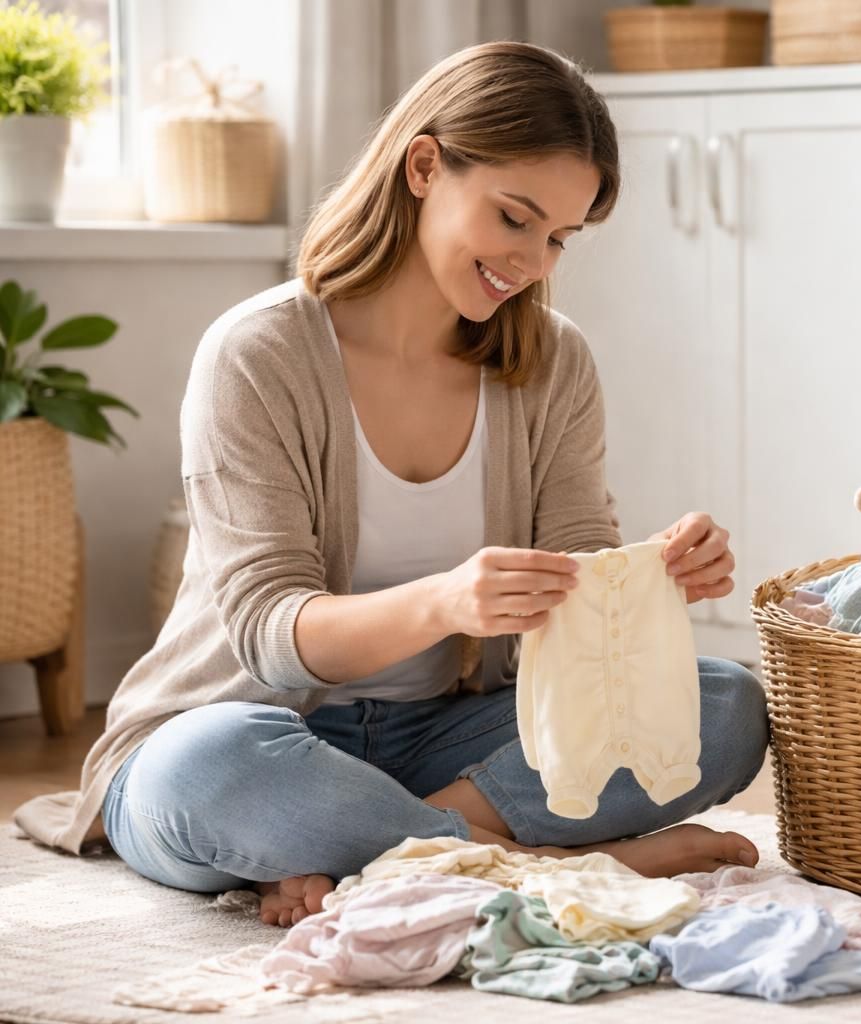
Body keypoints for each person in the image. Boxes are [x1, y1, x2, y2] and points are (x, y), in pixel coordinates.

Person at [11, 41, 769, 928]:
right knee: (206, 768)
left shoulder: (554, 361)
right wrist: (445, 602)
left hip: (448, 740)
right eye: (514, 218)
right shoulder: (258, 354)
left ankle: (395, 856)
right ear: (423, 165)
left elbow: (576, 591)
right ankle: (561, 864)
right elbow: (267, 635)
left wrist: (643, 583)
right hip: (264, 731)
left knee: (725, 702)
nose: (534, 261)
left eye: (559, 237)